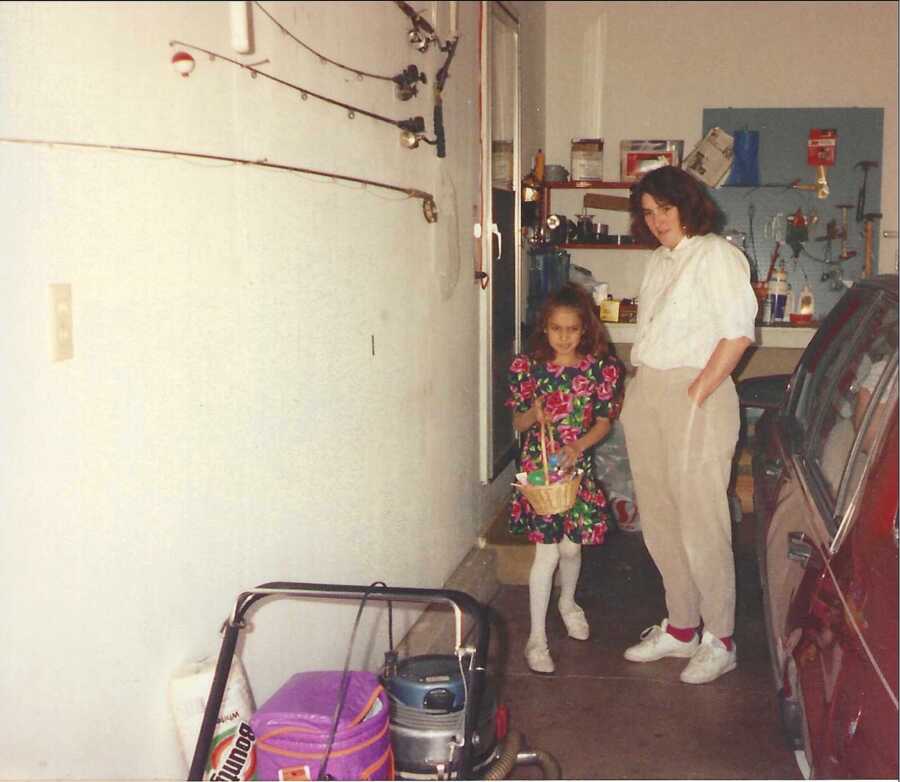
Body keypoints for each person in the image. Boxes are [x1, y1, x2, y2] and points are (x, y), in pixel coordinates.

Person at [619, 165, 757, 685]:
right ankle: (681, 627)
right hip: (650, 389)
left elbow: (738, 335)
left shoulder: (718, 255)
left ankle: (720, 639)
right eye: (648, 212)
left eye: (664, 209)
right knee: (659, 518)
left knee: (702, 520)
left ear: (688, 204)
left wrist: (696, 394)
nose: (656, 220)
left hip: (697, 393)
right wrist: (642, 390)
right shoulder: (658, 261)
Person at [507, 282, 625, 674]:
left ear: (585, 329)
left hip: (578, 471)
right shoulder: (529, 368)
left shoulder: (600, 368)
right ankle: (536, 639)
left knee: (572, 550)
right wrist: (534, 413)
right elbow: (519, 421)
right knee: (547, 553)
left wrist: (578, 448)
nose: (563, 336)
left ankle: (568, 601)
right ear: (544, 328)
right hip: (542, 474)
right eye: (555, 328)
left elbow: (605, 421)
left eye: (571, 329)